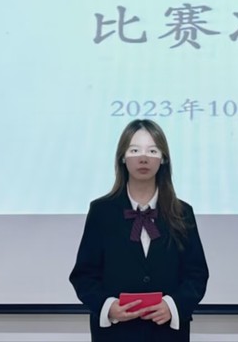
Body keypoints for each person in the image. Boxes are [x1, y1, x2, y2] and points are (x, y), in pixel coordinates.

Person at [70, 119, 209, 341]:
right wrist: (108, 306)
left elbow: (197, 274)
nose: (143, 158)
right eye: (134, 150)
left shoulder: (182, 212)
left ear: (163, 158)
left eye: (152, 151)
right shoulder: (101, 211)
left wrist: (172, 306)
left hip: (167, 334)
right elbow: (84, 275)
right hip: (115, 334)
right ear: (122, 157)